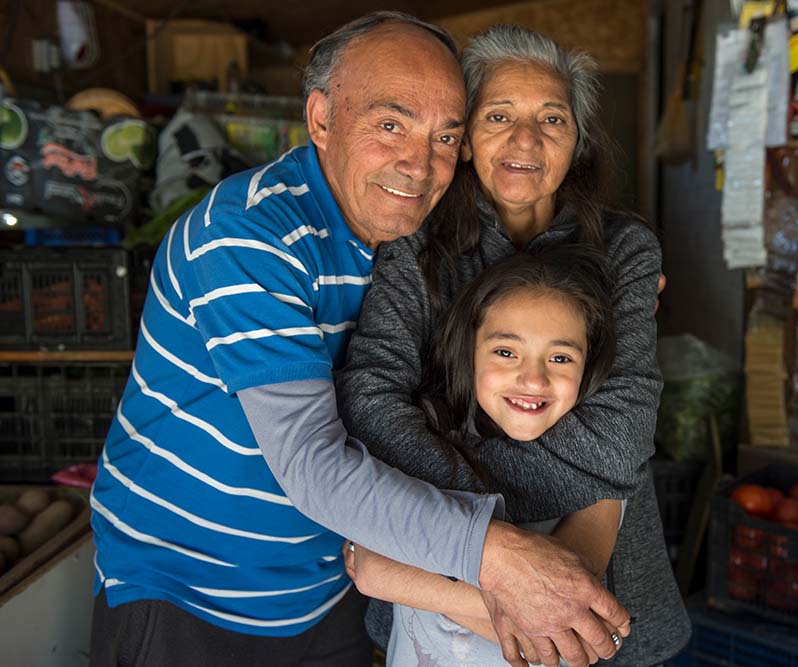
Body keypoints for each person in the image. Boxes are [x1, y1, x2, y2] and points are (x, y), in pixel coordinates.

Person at [88, 12, 630, 667]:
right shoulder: (248, 237)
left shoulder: (413, 241)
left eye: (444, 136)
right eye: (390, 124)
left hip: (327, 587)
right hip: (191, 592)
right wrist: (497, 554)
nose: (418, 162)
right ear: (321, 120)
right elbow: (314, 465)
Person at [338, 24, 690, 667]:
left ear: (577, 142)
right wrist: (501, 543)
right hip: (436, 620)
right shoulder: (415, 244)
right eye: (498, 115)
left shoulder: (625, 250)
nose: (525, 140)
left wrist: (450, 505)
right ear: (465, 137)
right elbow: (369, 394)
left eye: (551, 118)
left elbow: (622, 433)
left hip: (584, 581)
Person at [346, 245, 626, 667]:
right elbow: (368, 567)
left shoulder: (599, 472)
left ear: (589, 368)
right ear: (469, 351)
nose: (533, 378)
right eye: (506, 352)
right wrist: (519, 597)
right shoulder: (424, 446)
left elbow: (568, 621)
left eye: (561, 357)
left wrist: (411, 578)